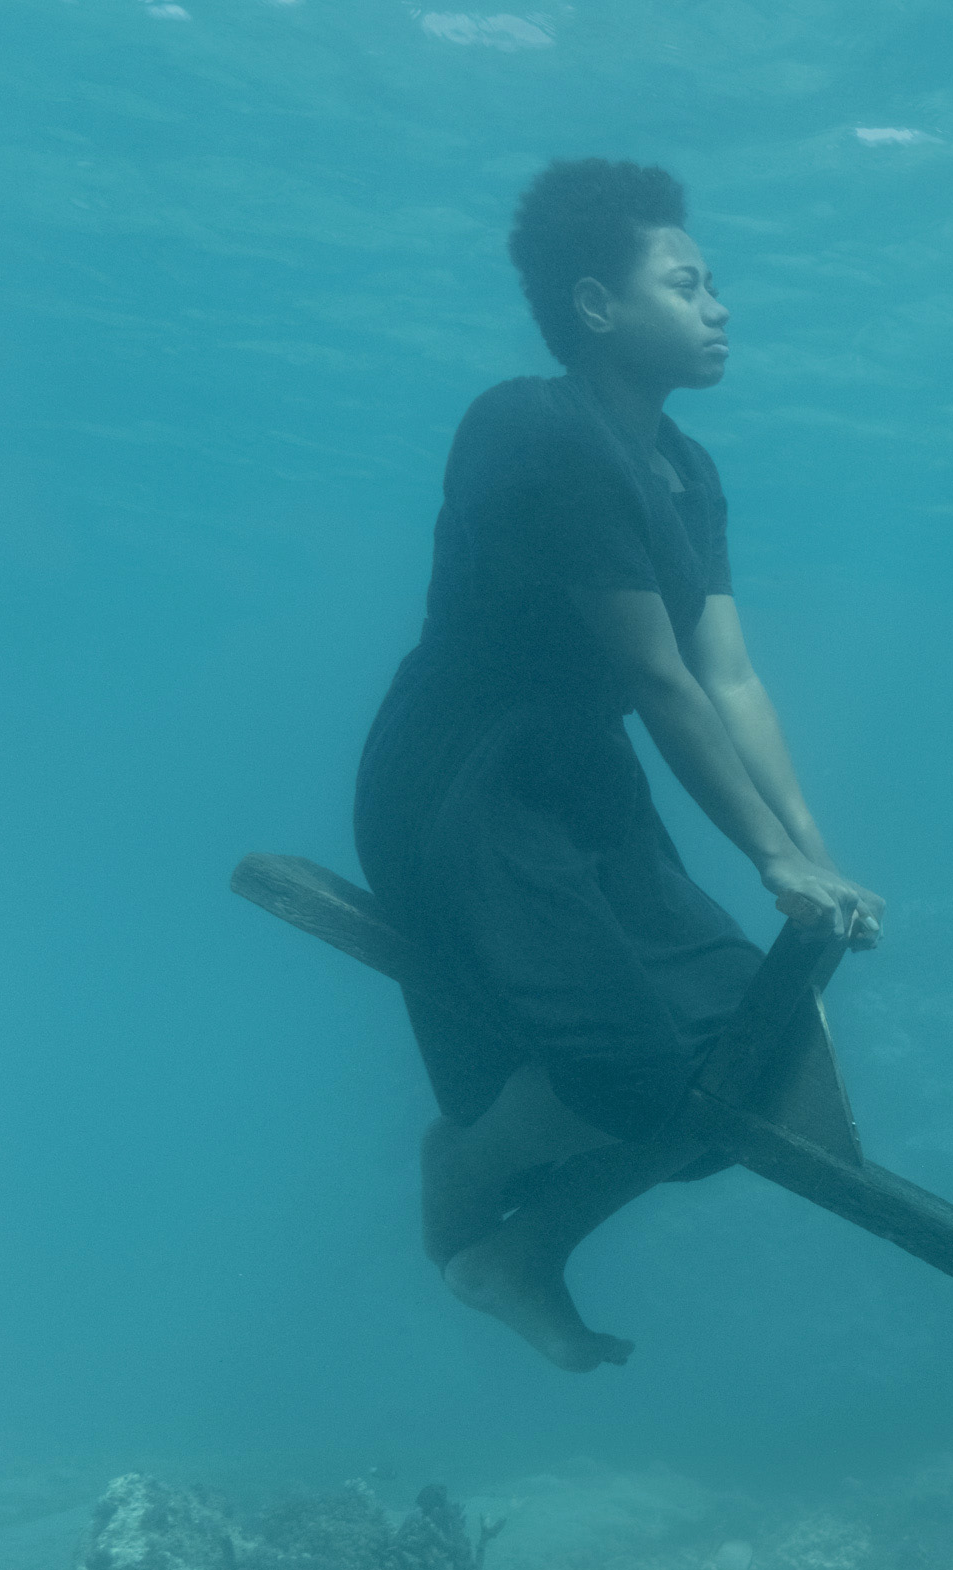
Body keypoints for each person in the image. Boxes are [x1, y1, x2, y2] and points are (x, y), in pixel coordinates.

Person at [354, 159, 884, 1373]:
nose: (720, 305)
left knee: (743, 1072)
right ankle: (469, 1163)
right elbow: (656, 681)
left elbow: (729, 676)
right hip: (468, 785)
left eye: (715, 283)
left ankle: (522, 1251)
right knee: (640, 1077)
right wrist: (769, 859)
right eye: (687, 281)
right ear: (596, 305)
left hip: (584, 789)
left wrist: (812, 851)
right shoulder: (533, 431)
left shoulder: (687, 471)